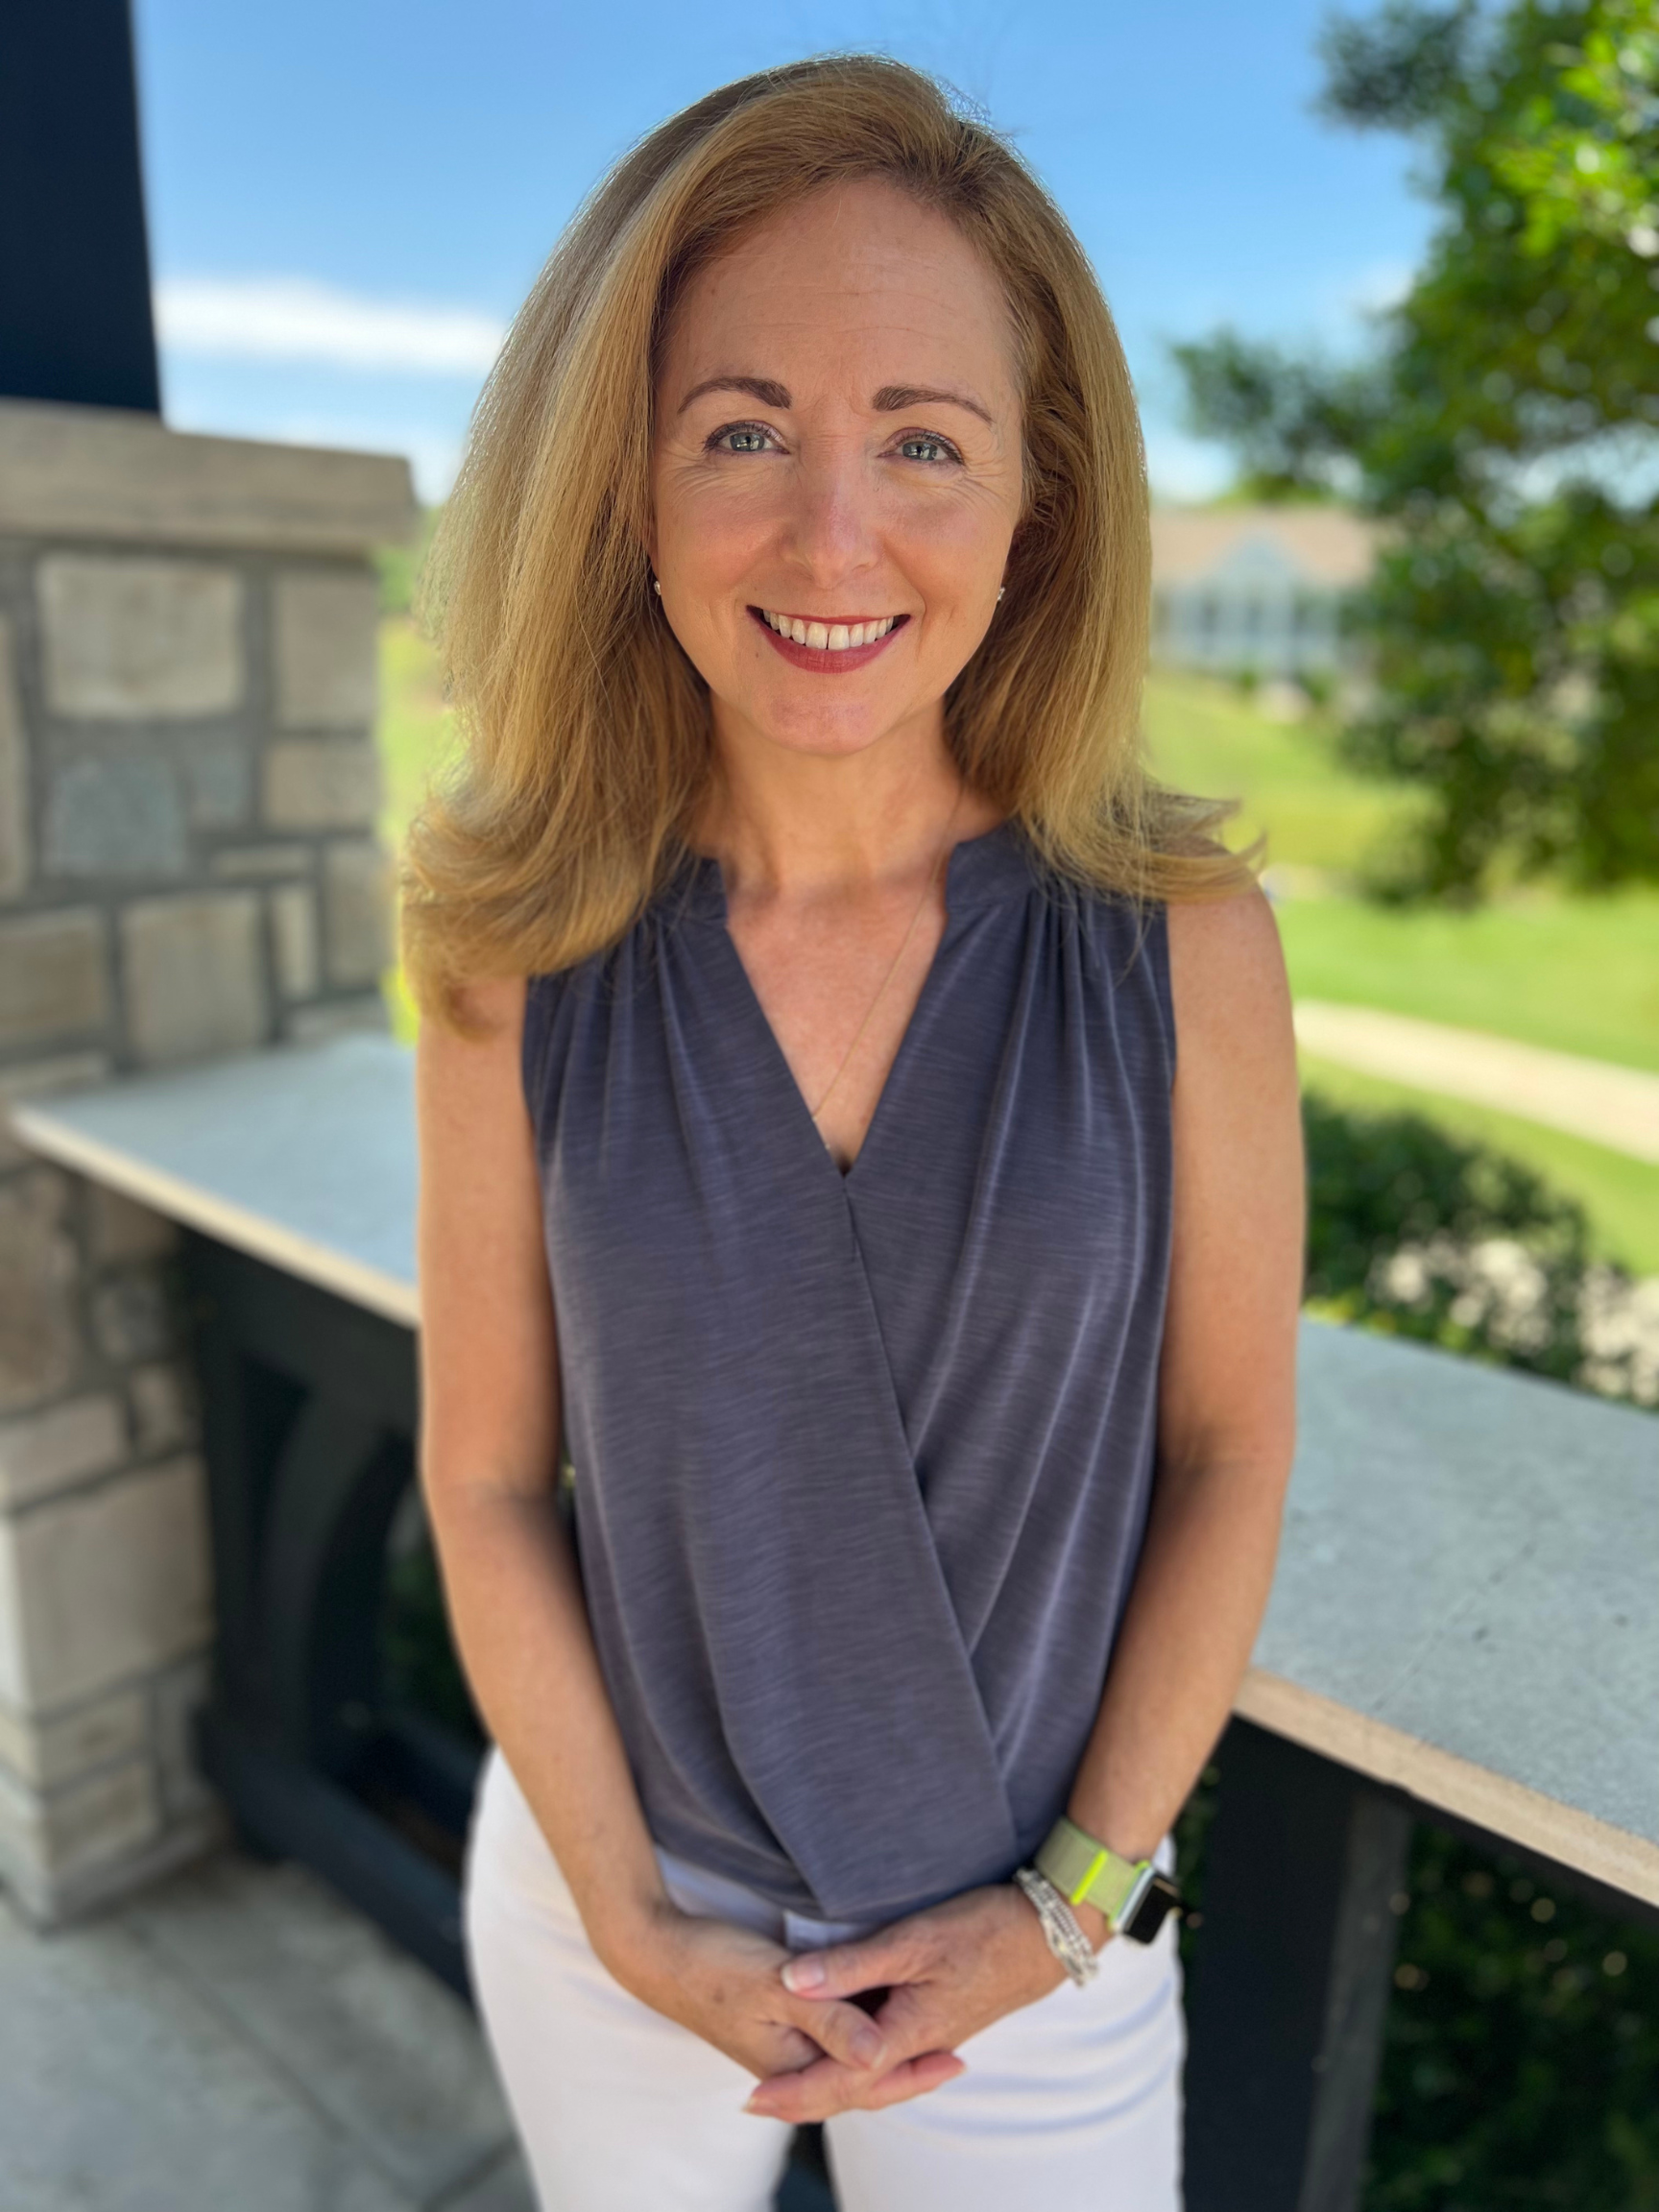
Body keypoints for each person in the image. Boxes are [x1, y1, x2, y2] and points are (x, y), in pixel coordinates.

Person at [403, 53, 1304, 2212]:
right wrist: (627, 1915)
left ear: (1037, 501)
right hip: (614, 1916)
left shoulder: (1182, 946)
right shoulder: (517, 936)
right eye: (741, 432)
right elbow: (486, 1470)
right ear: (622, 484)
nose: (833, 537)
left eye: (923, 439)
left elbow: (1230, 1448)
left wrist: (1071, 1906)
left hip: (1041, 1959)